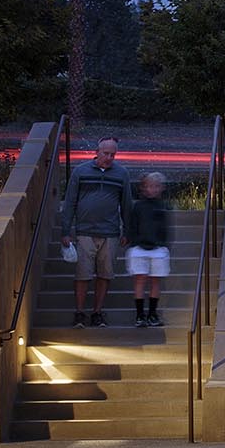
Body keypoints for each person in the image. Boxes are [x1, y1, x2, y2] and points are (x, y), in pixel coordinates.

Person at [59, 137, 131, 328]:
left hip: (110, 232)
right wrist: (65, 230)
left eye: (113, 154)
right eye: (106, 153)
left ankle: (97, 312)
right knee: (83, 274)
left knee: (105, 274)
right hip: (85, 231)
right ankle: (80, 312)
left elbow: (126, 204)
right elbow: (70, 202)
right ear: (97, 151)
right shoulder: (80, 171)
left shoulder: (121, 174)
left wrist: (127, 230)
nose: (109, 157)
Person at [124, 172, 171, 327]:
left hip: (157, 248)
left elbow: (164, 228)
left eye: (156, 186)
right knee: (140, 279)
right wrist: (133, 240)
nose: (153, 189)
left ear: (161, 188)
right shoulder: (138, 206)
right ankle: (139, 314)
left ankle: (152, 313)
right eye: (150, 186)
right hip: (139, 247)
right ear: (144, 188)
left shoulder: (162, 206)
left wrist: (163, 243)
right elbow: (133, 225)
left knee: (155, 280)